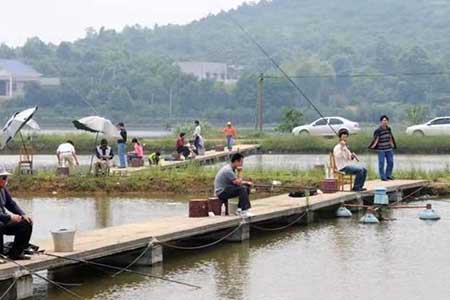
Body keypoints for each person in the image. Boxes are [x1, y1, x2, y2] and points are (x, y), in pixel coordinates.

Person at [0, 167, 33, 260]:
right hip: (1, 221)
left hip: (4, 221)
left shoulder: (3, 189)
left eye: (5, 177)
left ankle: (16, 254)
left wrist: (23, 214)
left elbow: (10, 203)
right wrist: (9, 217)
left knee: (26, 223)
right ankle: (0, 254)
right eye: (3, 178)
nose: (5, 180)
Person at [214, 153, 253, 217]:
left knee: (246, 188)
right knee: (242, 189)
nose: (242, 164)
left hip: (227, 188)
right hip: (221, 192)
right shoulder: (228, 170)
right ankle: (244, 210)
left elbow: (237, 182)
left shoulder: (231, 169)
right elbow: (238, 182)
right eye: (241, 162)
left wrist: (247, 183)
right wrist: (240, 171)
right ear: (236, 161)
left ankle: (239, 209)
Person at [369, 115, 397, 181]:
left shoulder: (388, 129)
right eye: (383, 120)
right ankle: (383, 176)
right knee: (381, 163)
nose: (385, 122)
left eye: (386, 120)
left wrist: (392, 144)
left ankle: (388, 175)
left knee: (391, 162)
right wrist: (373, 146)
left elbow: (390, 137)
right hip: (381, 149)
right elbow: (375, 139)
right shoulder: (378, 130)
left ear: (388, 121)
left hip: (389, 148)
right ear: (381, 122)